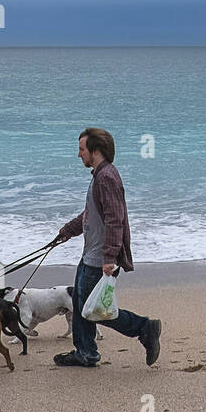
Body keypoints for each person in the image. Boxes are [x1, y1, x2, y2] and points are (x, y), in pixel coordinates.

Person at [52, 127, 161, 368]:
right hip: (90, 254)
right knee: (81, 305)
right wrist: (67, 231)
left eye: (82, 149)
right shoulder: (99, 176)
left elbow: (115, 218)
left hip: (100, 257)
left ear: (96, 150)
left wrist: (109, 257)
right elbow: (91, 215)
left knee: (98, 309)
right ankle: (86, 352)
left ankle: (145, 328)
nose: (79, 154)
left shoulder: (107, 177)